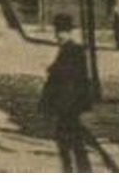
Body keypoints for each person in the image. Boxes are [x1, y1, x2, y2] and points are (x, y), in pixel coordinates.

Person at [38, 13, 93, 172]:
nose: (59, 36)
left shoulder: (73, 50)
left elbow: (71, 79)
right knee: (72, 141)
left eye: (61, 32)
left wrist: (53, 69)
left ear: (68, 32)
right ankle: (79, 171)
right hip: (68, 105)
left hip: (68, 105)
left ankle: (76, 172)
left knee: (68, 141)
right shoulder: (70, 49)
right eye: (58, 32)